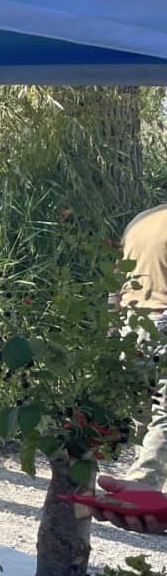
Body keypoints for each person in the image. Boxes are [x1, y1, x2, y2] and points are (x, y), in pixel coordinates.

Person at [113, 202, 167, 489]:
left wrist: (112, 326)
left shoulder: (142, 219)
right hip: (163, 321)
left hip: (132, 322)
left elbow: (118, 278)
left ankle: (142, 479)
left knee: (142, 408)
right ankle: (143, 487)